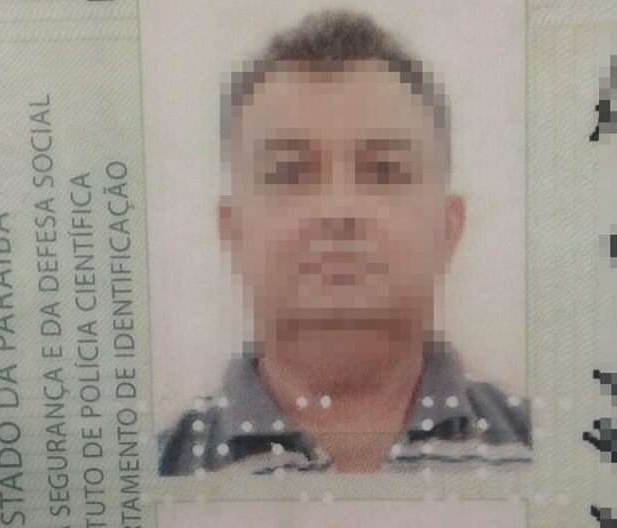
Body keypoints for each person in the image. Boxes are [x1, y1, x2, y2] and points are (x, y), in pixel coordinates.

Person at [159, 8, 530, 476]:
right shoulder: (156, 470)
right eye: (288, 174)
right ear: (232, 232)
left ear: (447, 228)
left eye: (386, 172)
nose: (338, 209)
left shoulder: (546, 453)